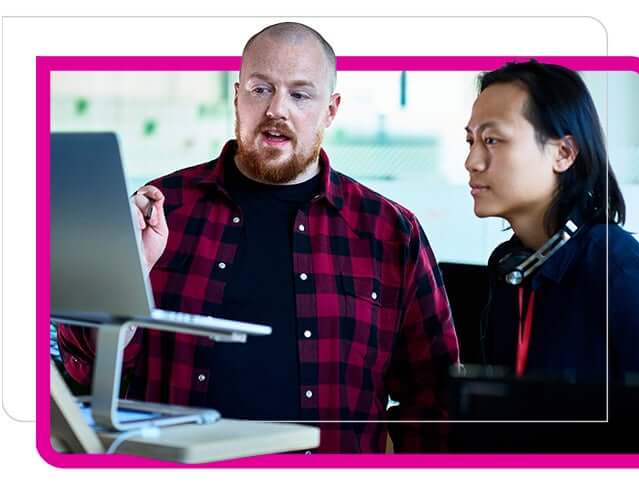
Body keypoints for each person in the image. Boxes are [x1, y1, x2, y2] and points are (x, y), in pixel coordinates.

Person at [58, 22, 460, 453]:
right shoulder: (156, 210)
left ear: (331, 110)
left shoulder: (390, 232)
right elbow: (87, 372)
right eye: (260, 89)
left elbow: (435, 400)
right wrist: (127, 276)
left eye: (300, 94)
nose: (277, 110)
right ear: (236, 97)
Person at [464, 60, 639, 386]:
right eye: (471, 141)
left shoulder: (617, 267)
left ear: (563, 153)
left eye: (492, 140)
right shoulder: (510, 265)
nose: (472, 162)